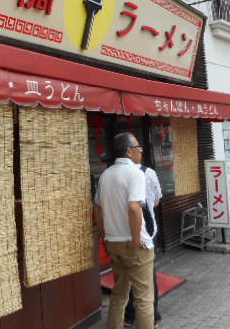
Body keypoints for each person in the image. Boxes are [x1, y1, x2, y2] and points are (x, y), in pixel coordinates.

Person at [95, 132, 154, 329]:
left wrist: (104, 236)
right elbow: (134, 208)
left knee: (119, 294)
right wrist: (136, 239)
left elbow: (98, 207)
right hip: (134, 244)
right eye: (138, 146)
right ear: (129, 151)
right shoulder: (135, 173)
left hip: (114, 243)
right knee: (144, 297)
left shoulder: (106, 175)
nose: (141, 150)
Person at [123, 154, 162, 327]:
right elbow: (157, 200)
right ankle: (153, 315)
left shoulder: (114, 174)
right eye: (138, 148)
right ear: (130, 152)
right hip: (146, 233)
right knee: (147, 277)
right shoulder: (149, 173)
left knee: (127, 276)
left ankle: (129, 315)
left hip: (123, 233)